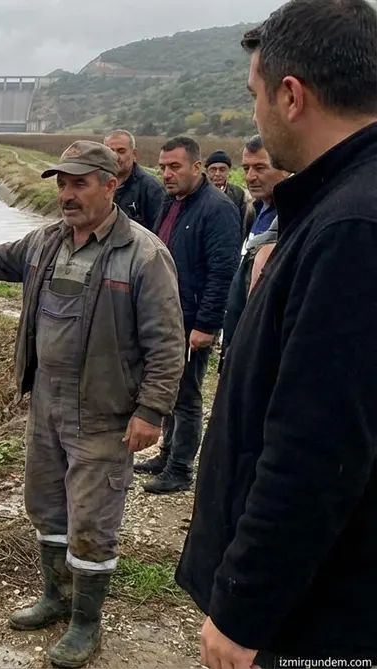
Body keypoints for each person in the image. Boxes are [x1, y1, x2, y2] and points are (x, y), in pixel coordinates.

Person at [0, 141, 185, 668]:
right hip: (46, 402)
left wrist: (151, 410)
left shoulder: (142, 254)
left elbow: (166, 341)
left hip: (104, 412)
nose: (66, 195)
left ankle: (86, 624)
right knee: (47, 506)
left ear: (110, 185)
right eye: (61, 184)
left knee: (92, 520)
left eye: (79, 184)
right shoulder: (47, 242)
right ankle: (54, 596)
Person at [177, 0, 377, 666]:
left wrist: (242, 607)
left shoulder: (351, 227)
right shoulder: (338, 205)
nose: (253, 114)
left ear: (291, 95)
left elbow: (316, 447)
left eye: (255, 94)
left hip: (319, 619)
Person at [134, 136, 241, 495]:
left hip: (191, 320)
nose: (166, 173)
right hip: (166, 318)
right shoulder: (170, 202)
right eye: (162, 167)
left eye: (174, 166)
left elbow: (222, 272)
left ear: (197, 167)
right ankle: (165, 454)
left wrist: (205, 326)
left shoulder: (217, 209)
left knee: (188, 395)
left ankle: (180, 469)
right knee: (169, 389)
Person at [220, 134, 289, 361]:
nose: (250, 177)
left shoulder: (292, 217)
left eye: (260, 167)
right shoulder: (255, 210)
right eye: (246, 168)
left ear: (285, 167)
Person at [104, 129, 165, 227]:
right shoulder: (96, 184)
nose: (115, 156)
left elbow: (160, 232)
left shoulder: (152, 189)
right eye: (110, 151)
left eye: (121, 151)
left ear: (134, 154)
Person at [205, 150, 253, 238]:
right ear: (207, 172)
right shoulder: (199, 193)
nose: (217, 174)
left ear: (228, 172)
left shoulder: (238, 193)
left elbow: (242, 224)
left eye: (222, 170)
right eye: (213, 170)